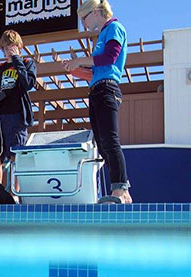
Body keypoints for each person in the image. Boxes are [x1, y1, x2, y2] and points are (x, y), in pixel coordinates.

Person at [62, 0, 132, 204]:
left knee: (110, 141)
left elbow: (110, 58)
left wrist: (80, 60)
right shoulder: (102, 35)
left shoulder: (114, 28)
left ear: (95, 12)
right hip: (97, 89)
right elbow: (95, 71)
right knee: (102, 144)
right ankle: (122, 192)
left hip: (108, 89)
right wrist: (74, 69)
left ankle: (120, 189)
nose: (83, 23)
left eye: (84, 18)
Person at [0, 30, 37, 186]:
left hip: (17, 116)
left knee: (17, 154)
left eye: (13, 46)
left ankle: (16, 192)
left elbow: (28, 83)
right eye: (6, 46)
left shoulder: (28, 63)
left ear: (19, 47)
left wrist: (16, 59)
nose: (9, 49)